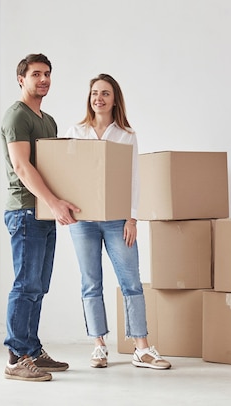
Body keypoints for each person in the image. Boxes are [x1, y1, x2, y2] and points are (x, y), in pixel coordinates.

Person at [65, 74, 171, 370]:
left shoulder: (126, 135)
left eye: (105, 93)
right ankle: (99, 345)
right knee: (91, 283)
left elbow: (134, 179)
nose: (99, 98)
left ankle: (142, 348)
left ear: (115, 99)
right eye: (95, 93)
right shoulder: (76, 131)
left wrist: (132, 218)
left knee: (131, 282)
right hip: (83, 220)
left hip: (116, 220)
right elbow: (68, 174)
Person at [0, 53, 80, 382]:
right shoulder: (17, 116)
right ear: (21, 79)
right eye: (36, 74)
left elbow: (52, 167)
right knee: (25, 284)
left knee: (38, 286)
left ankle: (32, 351)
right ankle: (16, 357)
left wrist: (63, 201)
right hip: (24, 210)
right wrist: (52, 202)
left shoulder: (48, 121)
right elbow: (22, 166)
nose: (43, 79)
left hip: (44, 212)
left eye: (47, 74)